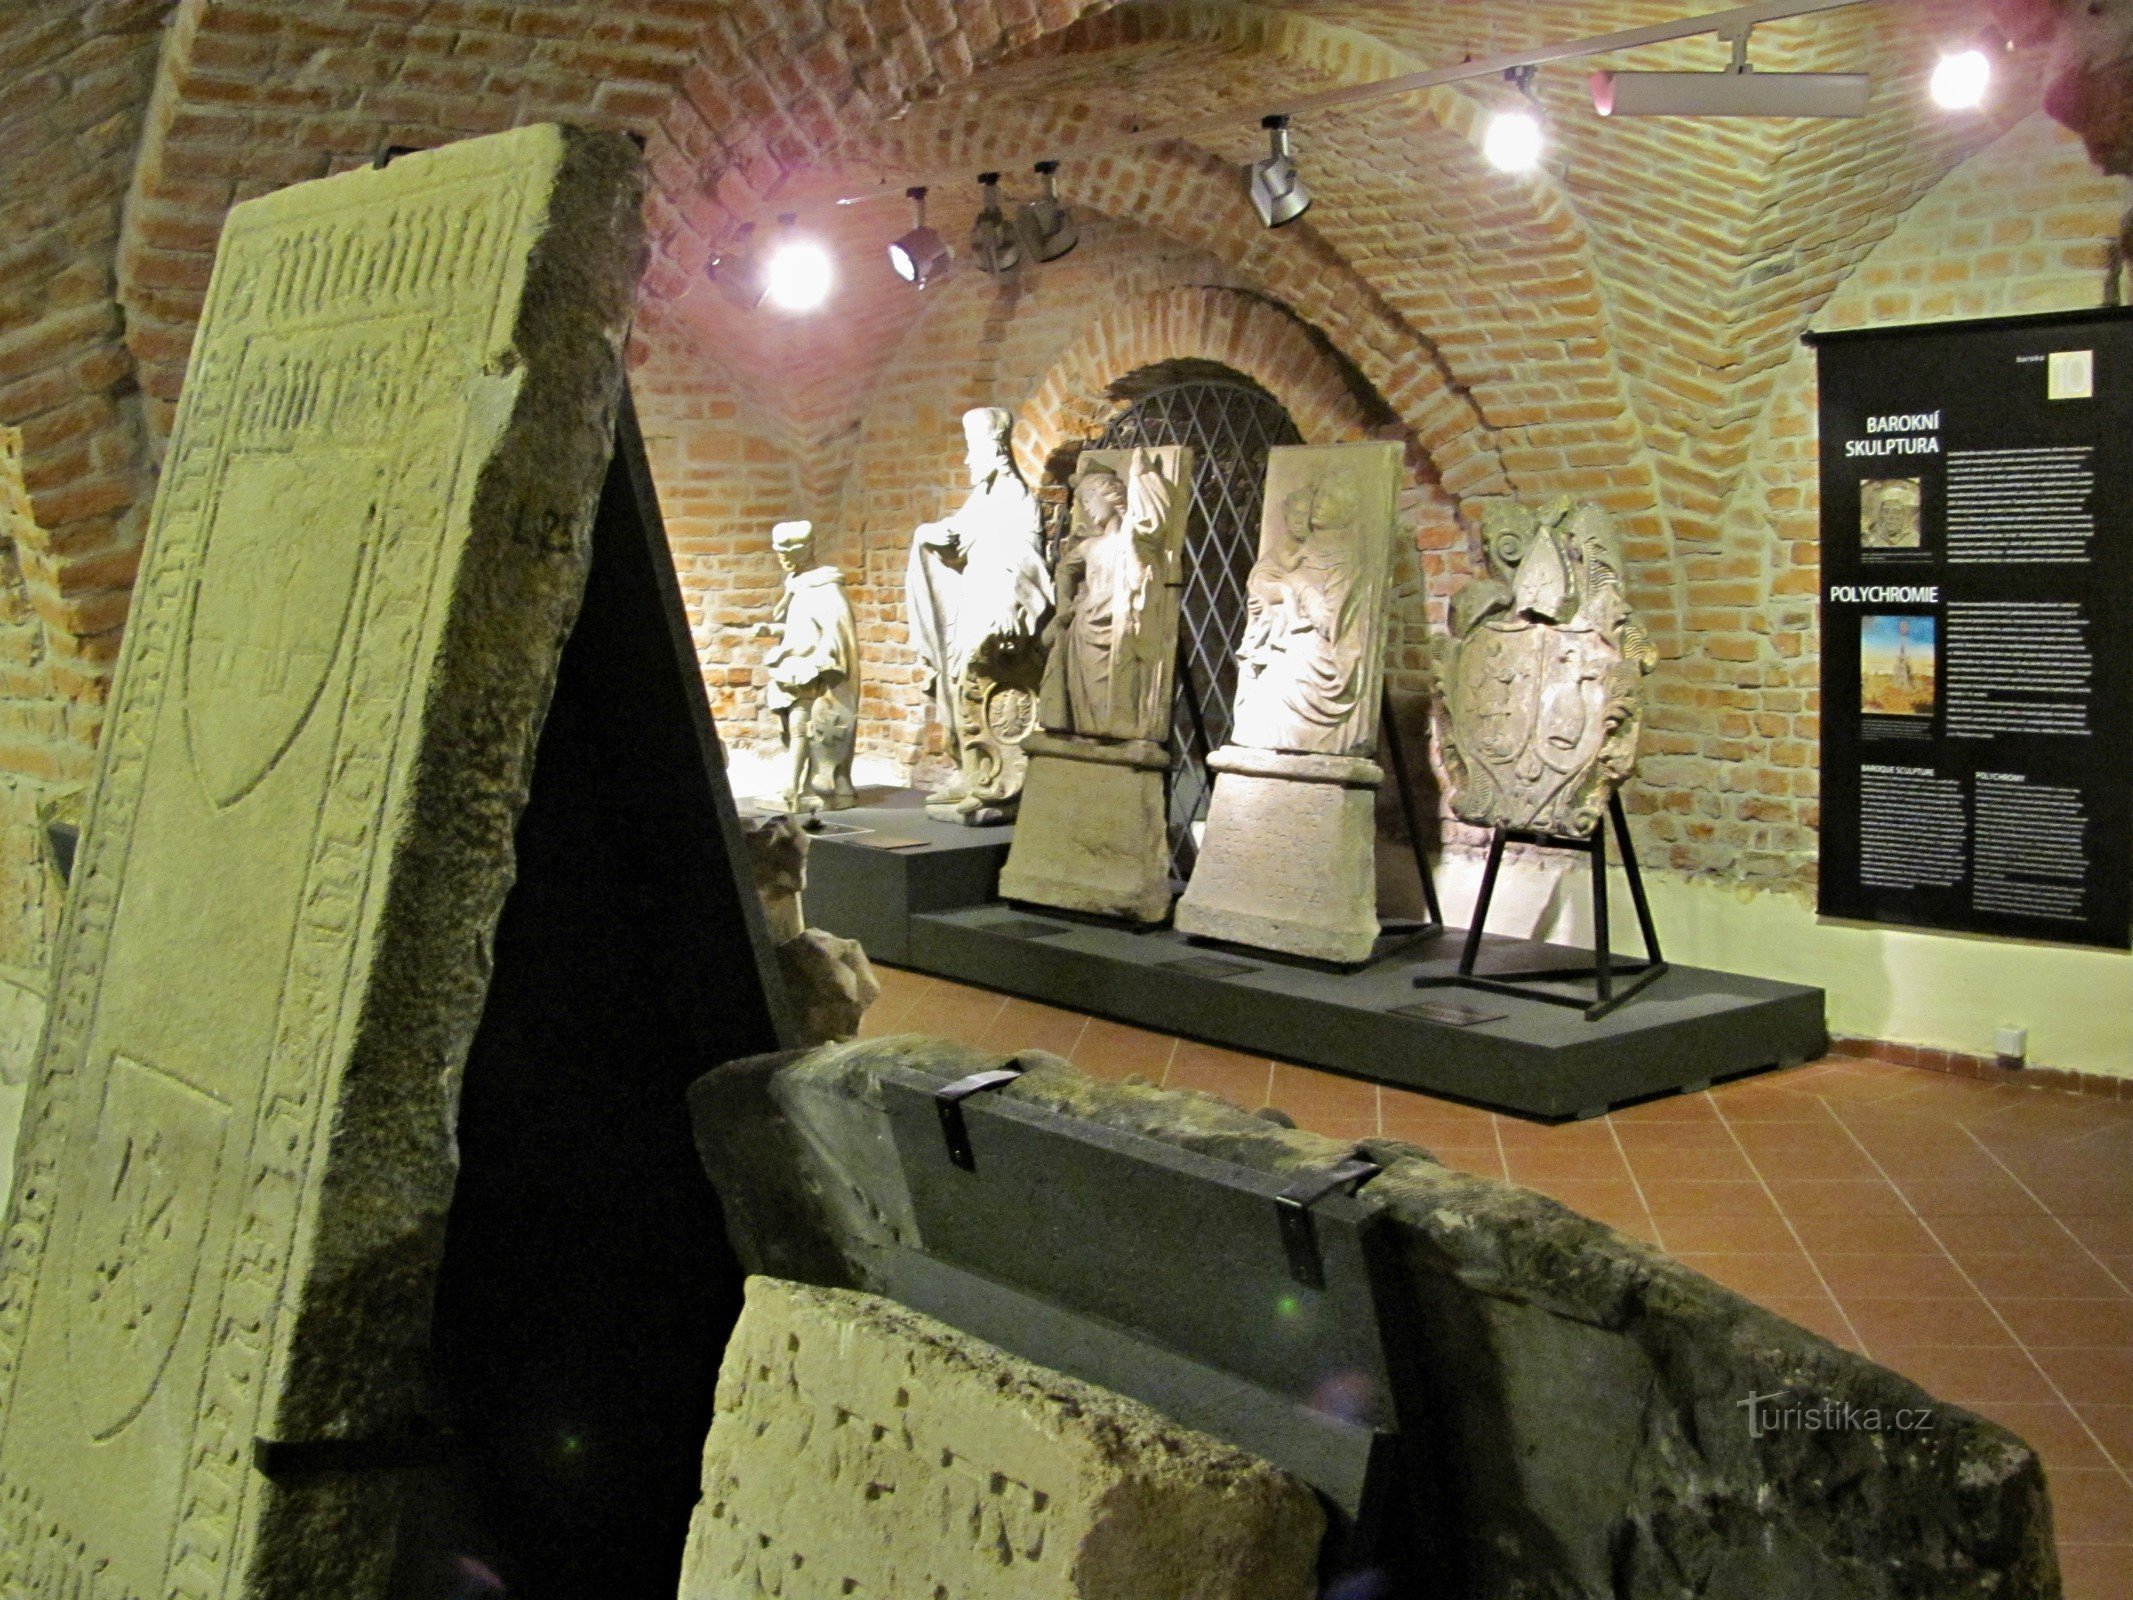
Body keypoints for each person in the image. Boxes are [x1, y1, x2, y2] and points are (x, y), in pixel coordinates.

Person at [904, 407, 1052, 807]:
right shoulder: (983, 498)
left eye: (973, 449)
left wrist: (1008, 603)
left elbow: (1025, 555)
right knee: (956, 684)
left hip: (997, 605)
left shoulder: (1016, 497)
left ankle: (994, 781)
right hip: (972, 601)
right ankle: (967, 770)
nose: (968, 459)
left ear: (995, 450)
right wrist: (930, 534)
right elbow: (961, 533)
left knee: (982, 683)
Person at [1040, 451, 1176, 742]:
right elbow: (1065, 571)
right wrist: (1065, 606)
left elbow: (1150, 522)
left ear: (1111, 497)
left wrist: (1141, 476)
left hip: (1116, 624)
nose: (1088, 508)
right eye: (1084, 503)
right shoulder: (1089, 545)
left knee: (1113, 693)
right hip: (1084, 628)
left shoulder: (1129, 540)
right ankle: (1086, 735)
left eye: (1091, 499)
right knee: (1085, 700)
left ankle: (1113, 734)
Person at [759, 520, 859, 811]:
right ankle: (802, 786)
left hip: (812, 670)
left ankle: (796, 788)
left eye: (789, 554)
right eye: (780, 554)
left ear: (807, 550)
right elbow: (800, 628)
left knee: (803, 727)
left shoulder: (825, 587)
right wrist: (772, 629)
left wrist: (823, 659)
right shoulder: (798, 584)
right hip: (793, 664)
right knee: (796, 728)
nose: (784, 560)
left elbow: (836, 631)